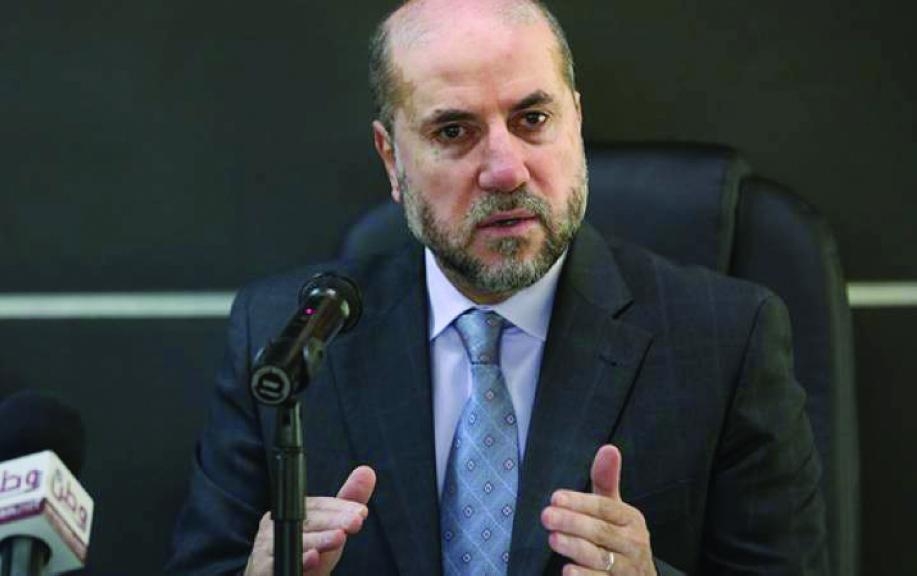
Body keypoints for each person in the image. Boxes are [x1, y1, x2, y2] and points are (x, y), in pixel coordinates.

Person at [167, 0, 828, 574]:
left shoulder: (725, 340)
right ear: (392, 159)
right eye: (454, 132)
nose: (506, 170)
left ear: (575, 121)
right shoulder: (287, 338)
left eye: (532, 119)